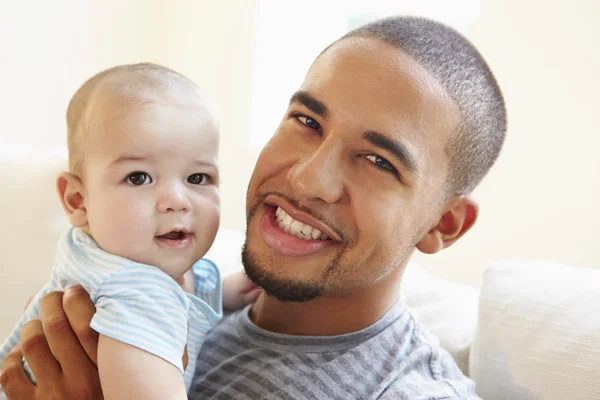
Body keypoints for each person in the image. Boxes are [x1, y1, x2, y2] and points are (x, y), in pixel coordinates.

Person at [0, 16, 506, 399]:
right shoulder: (177, 278)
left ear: (444, 224)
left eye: (377, 160)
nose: (308, 177)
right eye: (307, 121)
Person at [0, 63, 259, 399]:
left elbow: (182, 289)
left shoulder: (114, 252)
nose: (177, 201)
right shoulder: (135, 297)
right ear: (78, 201)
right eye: (138, 177)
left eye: (197, 178)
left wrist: (226, 293)